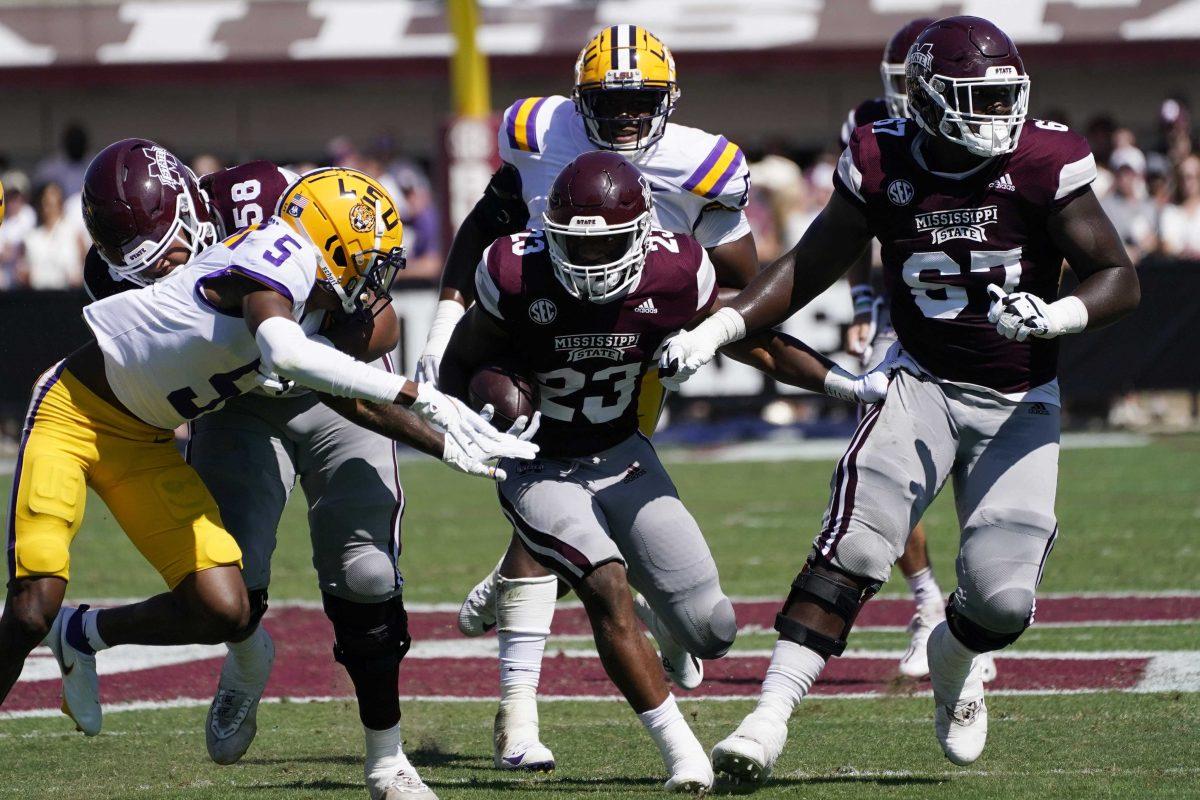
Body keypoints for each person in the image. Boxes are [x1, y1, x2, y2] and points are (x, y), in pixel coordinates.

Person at [660, 16, 1139, 785]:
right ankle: (767, 718)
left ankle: (953, 656)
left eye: (1004, 96)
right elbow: (809, 264)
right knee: (856, 539)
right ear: (930, 99)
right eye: (976, 98)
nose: (997, 115)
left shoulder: (1045, 157)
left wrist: (1057, 314)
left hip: (1020, 397)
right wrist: (722, 323)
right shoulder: (880, 156)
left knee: (1005, 599)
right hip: (921, 380)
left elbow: (1119, 274)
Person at [1, 162, 535, 800]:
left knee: (224, 607)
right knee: (33, 606)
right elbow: (283, 350)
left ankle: (83, 635)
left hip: (143, 440)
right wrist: (418, 394)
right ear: (332, 247)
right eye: (370, 264)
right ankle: (64, 633)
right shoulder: (275, 258)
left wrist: (447, 444)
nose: (377, 281)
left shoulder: (306, 283)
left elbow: (346, 390)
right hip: (74, 415)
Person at [439, 151, 885, 792]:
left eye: (609, 245)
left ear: (644, 232)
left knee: (713, 631)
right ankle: (683, 755)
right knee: (605, 586)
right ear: (549, 232)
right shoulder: (514, 270)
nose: (590, 264)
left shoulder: (676, 271)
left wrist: (846, 386)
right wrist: (474, 420)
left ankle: (661, 620)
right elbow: (463, 362)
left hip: (625, 454)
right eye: (573, 245)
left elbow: (750, 339)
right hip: (539, 464)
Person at [416, 24, 769, 771]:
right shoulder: (536, 130)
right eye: (610, 102)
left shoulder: (701, 163)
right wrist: (446, 323)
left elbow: (746, 272)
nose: (628, 117)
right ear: (579, 99)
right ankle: (518, 717)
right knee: (548, 484)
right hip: (542, 332)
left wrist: (693, 326)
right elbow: (487, 223)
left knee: (580, 503)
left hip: (630, 342)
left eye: (642, 101)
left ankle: (565, 645)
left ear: (669, 100)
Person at [839, 16, 998, 682]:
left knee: (979, 467)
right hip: (900, 305)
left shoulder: (988, 121)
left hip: (974, 314)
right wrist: (864, 306)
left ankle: (971, 612)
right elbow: (846, 227)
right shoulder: (871, 126)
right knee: (884, 464)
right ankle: (927, 604)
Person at [23, 182, 87, 290]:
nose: (48, 205)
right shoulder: (31, 237)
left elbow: (85, 265)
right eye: (45, 201)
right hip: (37, 297)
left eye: (52, 200)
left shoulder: (74, 232)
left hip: (70, 296)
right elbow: (24, 271)